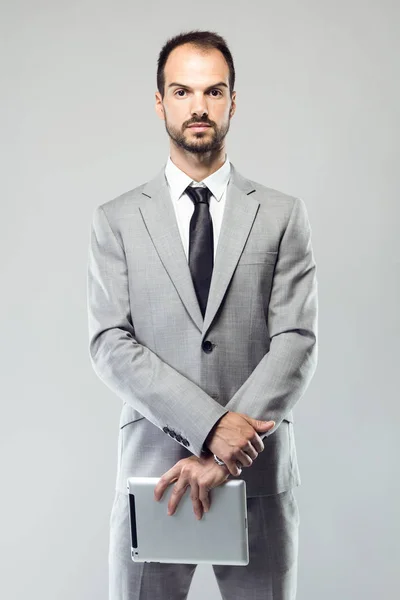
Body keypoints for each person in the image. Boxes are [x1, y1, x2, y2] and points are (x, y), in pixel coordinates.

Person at [87, 29, 318, 600]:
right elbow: (110, 343)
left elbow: (295, 341)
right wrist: (213, 429)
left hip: (257, 477)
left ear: (233, 102)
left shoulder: (283, 215)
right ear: (160, 102)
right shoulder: (115, 220)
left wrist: (228, 454)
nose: (199, 107)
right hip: (155, 476)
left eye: (213, 92)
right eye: (182, 91)